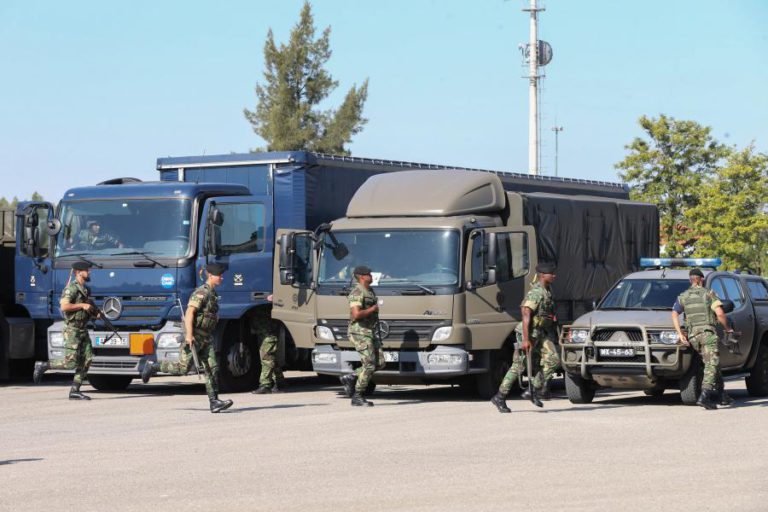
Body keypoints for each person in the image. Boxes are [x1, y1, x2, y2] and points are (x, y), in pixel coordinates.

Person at [142, 263, 233, 413]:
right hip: (196, 336)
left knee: (213, 368)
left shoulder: (213, 293)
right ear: (211, 276)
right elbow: (190, 313)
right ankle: (153, 366)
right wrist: (189, 335)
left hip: (206, 337)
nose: (221, 278)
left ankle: (214, 402)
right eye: (219, 275)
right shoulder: (201, 293)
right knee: (183, 368)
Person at [491, 262, 560, 413]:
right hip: (528, 333)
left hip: (541, 333)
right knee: (519, 366)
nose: (554, 275)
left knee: (553, 360)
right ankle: (500, 397)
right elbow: (525, 314)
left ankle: (533, 390)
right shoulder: (536, 292)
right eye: (551, 273)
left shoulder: (547, 290)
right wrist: (526, 339)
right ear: (543, 275)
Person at [32, 261, 95, 400]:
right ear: (79, 272)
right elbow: (64, 306)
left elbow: (85, 309)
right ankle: (43, 365)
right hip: (72, 330)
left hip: (82, 330)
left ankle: (75, 390)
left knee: (87, 359)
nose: (89, 272)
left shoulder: (85, 290)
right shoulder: (71, 289)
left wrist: (93, 312)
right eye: (87, 270)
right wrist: (82, 305)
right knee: (70, 363)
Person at [672, 268, 733, 410]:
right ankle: (705, 395)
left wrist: (680, 333)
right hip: (707, 334)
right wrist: (728, 328)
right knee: (712, 363)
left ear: (690, 280)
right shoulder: (709, 294)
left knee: (712, 363)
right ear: (701, 280)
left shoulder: (683, 296)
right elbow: (720, 313)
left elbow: (674, 313)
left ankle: (722, 395)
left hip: (693, 336)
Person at [339, 265, 385, 406]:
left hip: (370, 331)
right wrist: (373, 309)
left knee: (380, 363)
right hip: (359, 332)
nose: (371, 275)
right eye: (369, 274)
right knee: (369, 365)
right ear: (362, 276)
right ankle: (357, 395)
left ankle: (352, 376)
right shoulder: (357, 292)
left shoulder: (369, 291)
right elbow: (356, 314)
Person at [251, 295, 286, 394]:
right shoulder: (263, 306)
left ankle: (265, 385)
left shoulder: (267, 307)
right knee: (270, 359)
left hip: (269, 335)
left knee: (267, 359)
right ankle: (279, 382)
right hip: (266, 334)